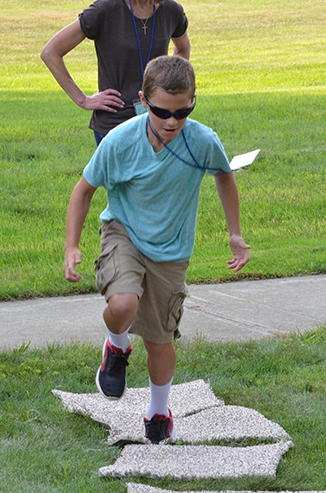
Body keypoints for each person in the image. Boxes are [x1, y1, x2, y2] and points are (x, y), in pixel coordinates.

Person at [63, 55, 250, 444]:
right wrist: (72, 246)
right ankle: (115, 346)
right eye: (162, 111)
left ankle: (159, 408)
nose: (172, 122)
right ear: (144, 101)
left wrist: (234, 233)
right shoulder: (120, 141)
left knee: (159, 339)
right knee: (123, 306)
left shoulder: (202, 140)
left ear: (193, 101)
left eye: (183, 112)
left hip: (171, 251)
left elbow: (224, 177)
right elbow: (83, 191)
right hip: (123, 233)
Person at [40, 0, 190, 146]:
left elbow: (183, 49)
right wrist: (83, 100)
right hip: (115, 124)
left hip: (159, 121)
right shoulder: (104, 9)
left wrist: (174, 92)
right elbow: (50, 52)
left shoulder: (172, 10)